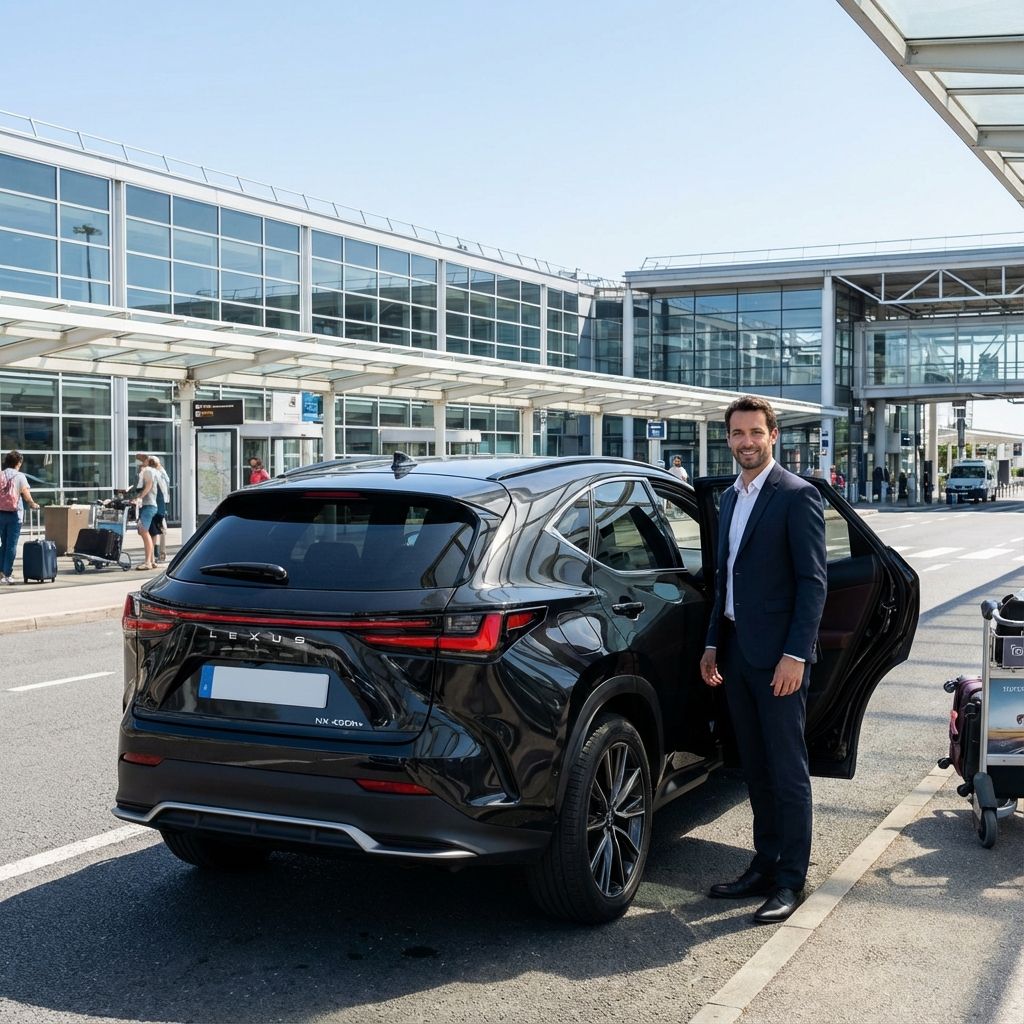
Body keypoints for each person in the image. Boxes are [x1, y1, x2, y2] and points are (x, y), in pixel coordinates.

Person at [699, 396, 827, 925]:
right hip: (735, 653)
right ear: (727, 439)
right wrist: (711, 643)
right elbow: (724, 579)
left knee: (787, 769)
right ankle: (764, 863)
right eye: (736, 434)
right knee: (754, 766)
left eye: (755, 432)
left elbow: (813, 584)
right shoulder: (730, 498)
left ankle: (791, 880)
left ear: (773, 435)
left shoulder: (797, 496)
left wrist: (796, 655)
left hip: (780, 659)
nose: (745, 442)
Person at [0, 450, 40, 585]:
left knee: (3, 544)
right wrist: (33, 504)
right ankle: (7, 574)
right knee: (11, 545)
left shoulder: (1, 474)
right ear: (18, 462)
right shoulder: (20, 476)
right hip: (14, 515)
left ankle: (1, 572)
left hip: (1, 513)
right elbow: (26, 494)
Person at [133, 452, 158, 571]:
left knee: (143, 531)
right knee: (146, 532)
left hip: (148, 506)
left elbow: (148, 485)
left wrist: (140, 497)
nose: (140, 464)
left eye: (142, 461)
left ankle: (148, 561)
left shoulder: (148, 471)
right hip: (149, 506)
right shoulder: (150, 471)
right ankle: (151, 560)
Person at [146, 456, 170, 562]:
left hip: (158, 506)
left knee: (158, 530)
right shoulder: (154, 473)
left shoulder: (159, 474)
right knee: (154, 531)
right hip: (155, 506)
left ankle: (159, 553)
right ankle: (155, 553)